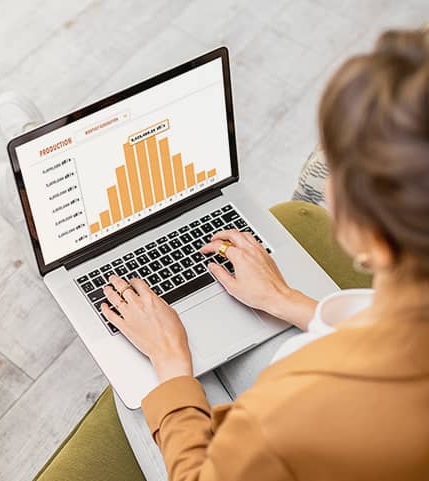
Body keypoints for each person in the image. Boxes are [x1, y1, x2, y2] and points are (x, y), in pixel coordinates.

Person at [98, 28, 429, 480]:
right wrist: (285, 300)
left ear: (372, 236)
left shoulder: (285, 415)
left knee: (134, 374)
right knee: (226, 332)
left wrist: (171, 367)